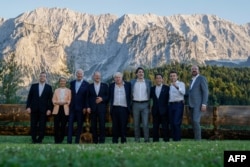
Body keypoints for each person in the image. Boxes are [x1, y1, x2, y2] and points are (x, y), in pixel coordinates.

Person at [26, 72, 53, 143]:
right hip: (34, 109)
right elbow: (29, 97)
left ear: (46, 78)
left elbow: (50, 100)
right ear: (39, 77)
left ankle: (40, 139)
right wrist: (28, 107)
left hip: (44, 110)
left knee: (42, 125)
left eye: (44, 76)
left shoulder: (49, 87)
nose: (42, 77)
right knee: (33, 124)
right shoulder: (33, 86)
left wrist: (49, 109)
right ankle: (33, 139)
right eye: (41, 76)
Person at [67, 69, 89, 144]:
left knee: (80, 125)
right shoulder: (72, 83)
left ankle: (77, 141)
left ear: (83, 75)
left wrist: (85, 107)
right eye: (78, 74)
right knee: (70, 124)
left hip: (81, 108)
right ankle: (69, 141)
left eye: (81, 74)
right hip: (72, 107)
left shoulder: (86, 84)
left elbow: (87, 97)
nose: (79, 75)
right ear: (76, 74)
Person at [109, 72, 131, 143]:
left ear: (122, 78)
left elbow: (130, 96)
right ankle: (114, 141)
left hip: (124, 108)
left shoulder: (128, 85)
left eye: (119, 77)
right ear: (114, 78)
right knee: (115, 126)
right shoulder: (111, 86)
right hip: (114, 108)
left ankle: (123, 141)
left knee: (123, 125)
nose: (118, 79)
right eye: (116, 77)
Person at [87, 71, 109, 144]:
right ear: (93, 77)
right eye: (96, 76)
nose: (97, 77)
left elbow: (108, 96)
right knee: (93, 125)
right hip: (92, 108)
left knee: (102, 125)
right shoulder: (89, 86)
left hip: (102, 108)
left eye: (99, 76)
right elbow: (87, 97)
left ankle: (102, 141)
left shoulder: (105, 85)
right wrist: (88, 107)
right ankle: (95, 140)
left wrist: (102, 99)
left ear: (100, 77)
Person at [131, 67, 151, 142]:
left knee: (145, 124)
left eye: (142, 72)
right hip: (135, 104)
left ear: (144, 73)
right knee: (136, 124)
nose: (141, 73)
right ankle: (137, 140)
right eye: (139, 72)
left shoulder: (148, 82)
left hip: (145, 104)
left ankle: (146, 139)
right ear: (136, 74)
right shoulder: (132, 82)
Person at [188, 65, 209, 140]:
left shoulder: (201, 78)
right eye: (192, 69)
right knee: (193, 122)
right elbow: (190, 93)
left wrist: (204, 104)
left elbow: (205, 92)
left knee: (196, 121)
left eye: (195, 69)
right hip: (191, 105)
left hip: (198, 105)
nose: (194, 70)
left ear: (198, 70)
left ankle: (198, 140)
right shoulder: (191, 80)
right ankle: (196, 138)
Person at [150, 74, 170, 142]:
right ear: (155, 80)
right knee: (155, 127)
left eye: (160, 78)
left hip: (164, 111)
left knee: (165, 126)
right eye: (157, 78)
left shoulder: (167, 88)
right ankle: (155, 141)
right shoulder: (152, 88)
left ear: (162, 79)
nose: (158, 79)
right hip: (155, 111)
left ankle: (166, 140)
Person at [52, 77, 71, 144]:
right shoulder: (56, 90)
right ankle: (56, 140)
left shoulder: (69, 91)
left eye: (64, 81)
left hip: (65, 109)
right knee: (56, 125)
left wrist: (64, 102)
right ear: (59, 82)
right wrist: (58, 103)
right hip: (57, 109)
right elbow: (53, 100)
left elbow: (69, 100)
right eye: (61, 81)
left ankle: (61, 139)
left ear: (65, 82)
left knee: (63, 125)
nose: (62, 82)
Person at [168, 70, 186, 141]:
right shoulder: (170, 86)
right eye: (171, 76)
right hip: (171, 105)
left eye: (174, 76)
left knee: (176, 122)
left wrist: (177, 86)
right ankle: (174, 139)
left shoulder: (181, 84)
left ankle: (178, 139)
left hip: (178, 104)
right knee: (172, 123)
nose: (172, 77)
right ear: (170, 77)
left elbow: (183, 92)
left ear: (177, 76)